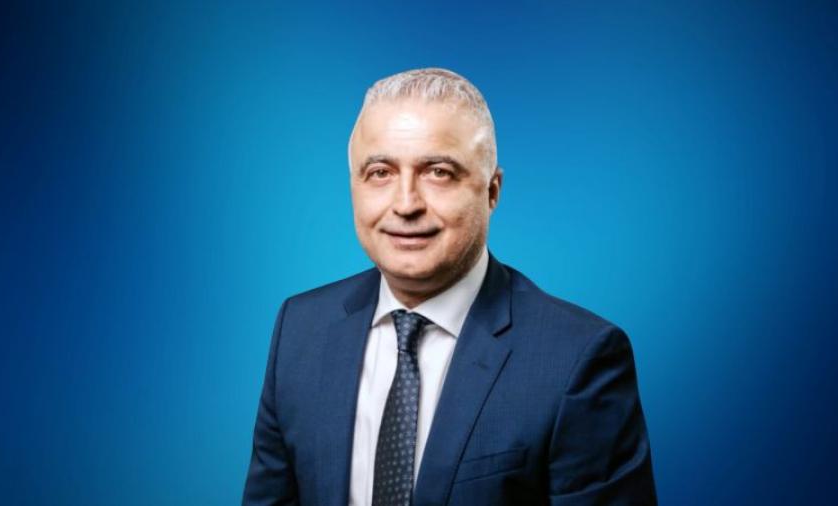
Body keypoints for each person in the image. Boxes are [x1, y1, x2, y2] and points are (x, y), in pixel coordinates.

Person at [242, 68, 657, 506]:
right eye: (380, 172)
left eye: (438, 172)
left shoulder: (578, 358)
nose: (406, 204)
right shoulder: (300, 329)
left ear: (492, 191)